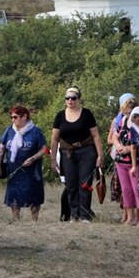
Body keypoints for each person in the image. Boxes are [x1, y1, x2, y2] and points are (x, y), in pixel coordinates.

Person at [51, 88, 103, 222]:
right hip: (67, 153)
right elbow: (55, 139)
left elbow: (96, 135)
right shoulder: (60, 116)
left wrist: (100, 156)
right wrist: (53, 159)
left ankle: (85, 215)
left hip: (86, 151)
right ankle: (75, 214)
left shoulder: (86, 114)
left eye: (73, 98)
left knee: (85, 184)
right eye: (67, 98)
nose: (70, 100)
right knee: (71, 185)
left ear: (78, 99)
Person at [0, 105, 47, 222]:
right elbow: (2, 147)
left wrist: (33, 158)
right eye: (11, 117)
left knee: (34, 194)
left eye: (15, 117)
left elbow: (44, 149)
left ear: (24, 117)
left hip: (32, 170)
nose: (13, 119)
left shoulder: (35, 131)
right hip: (13, 169)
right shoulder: (9, 130)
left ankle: (34, 220)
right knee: (14, 194)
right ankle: (16, 219)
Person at [109, 94, 139, 225]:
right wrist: (118, 146)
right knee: (126, 190)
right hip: (121, 160)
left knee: (137, 190)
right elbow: (114, 136)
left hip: (135, 161)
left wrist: (129, 149)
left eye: (127, 107)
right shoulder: (122, 120)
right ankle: (130, 217)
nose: (124, 110)